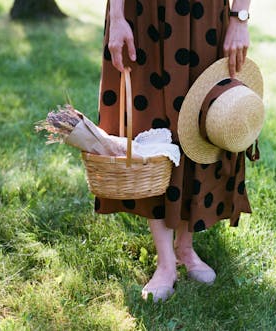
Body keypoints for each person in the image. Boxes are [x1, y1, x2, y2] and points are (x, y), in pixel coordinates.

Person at [96, 0, 253, 302]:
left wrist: (240, 17)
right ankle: (166, 262)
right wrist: (117, 16)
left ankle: (185, 246)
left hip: (204, 14)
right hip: (143, 13)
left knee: (200, 120)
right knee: (148, 124)